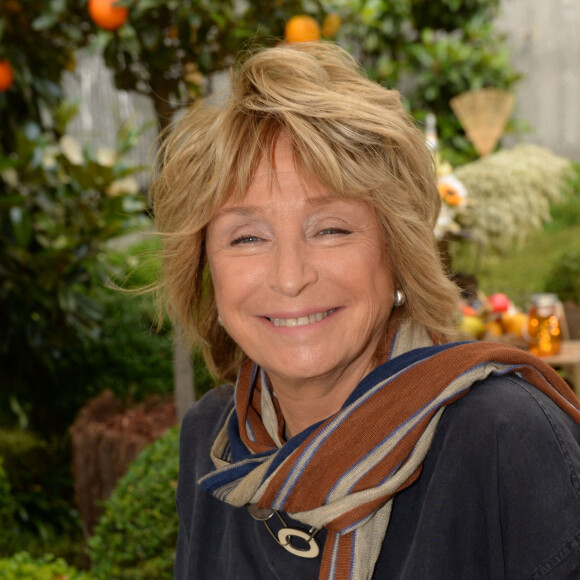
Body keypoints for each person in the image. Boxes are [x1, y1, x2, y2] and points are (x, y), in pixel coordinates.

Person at [151, 42, 580, 579]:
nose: (290, 276)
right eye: (247, 237)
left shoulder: (504, 438)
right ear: (204, 266)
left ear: (397, 252)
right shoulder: (213, 439)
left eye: (331, 229)